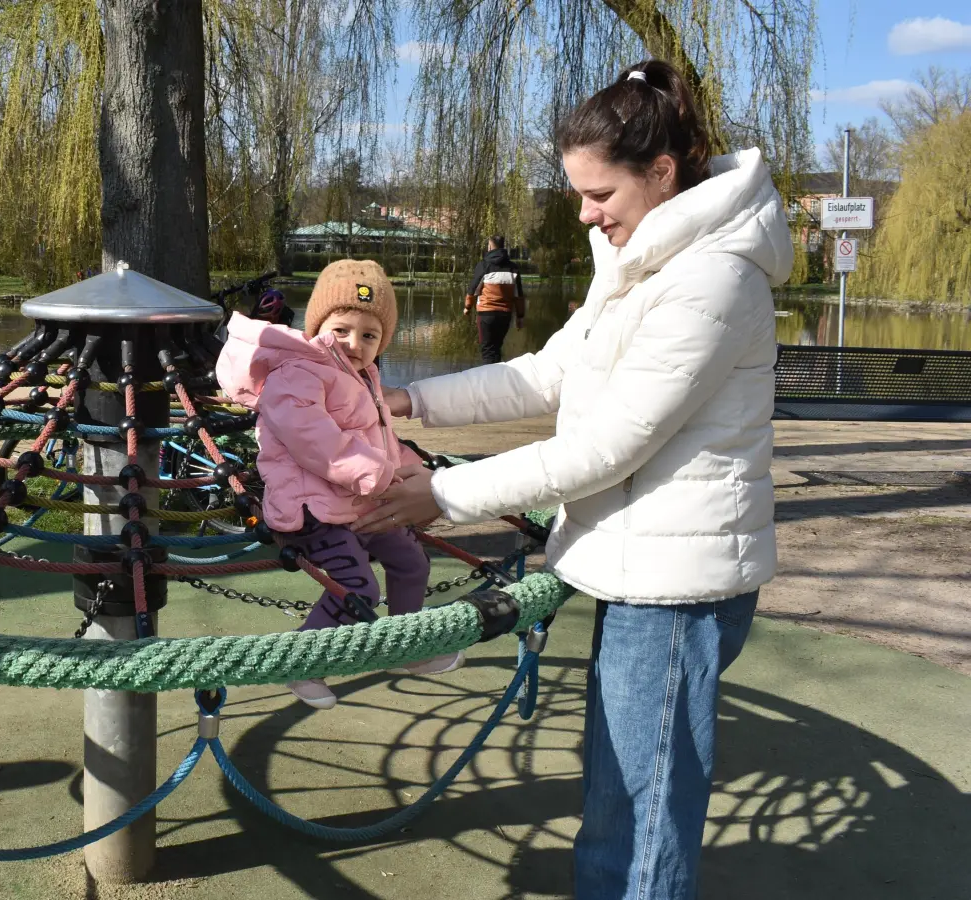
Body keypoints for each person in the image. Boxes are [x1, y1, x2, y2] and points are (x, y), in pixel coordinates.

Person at [357, 60, 791, 898]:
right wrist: (404, 397)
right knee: (619, 792)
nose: (587, 214)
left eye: (601, 195)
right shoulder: (644, 259)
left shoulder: (713, 276)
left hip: (674, 585)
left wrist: (442, 494)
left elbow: (609, 445)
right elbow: (547, 376)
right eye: (580, 194)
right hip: (642, 566)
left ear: (662, 173)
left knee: (640, 811)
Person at [217, 260, 462, 710]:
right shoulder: (299, 372)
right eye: (343, 329)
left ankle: (403, 645)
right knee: (357, 587)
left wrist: (405, 472)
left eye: (370, 335)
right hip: (312, 509)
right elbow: (313, 438)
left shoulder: (362, 377)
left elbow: (381, 438)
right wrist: (376, 475)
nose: (355, 343)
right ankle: (302, 660)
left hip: (354, 498)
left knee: (411, 562)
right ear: (319, 328)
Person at [464, 235, 526, 364]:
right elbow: (519, 295)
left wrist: (467, 307)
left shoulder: (484, 265)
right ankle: (497, 377)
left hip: (486, 313)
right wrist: (520, 317)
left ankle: (489, 380)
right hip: (505, 314)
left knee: (487, 350)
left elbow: (473, 289)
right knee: (496, 348)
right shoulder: (513, 268)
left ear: (490, 247)